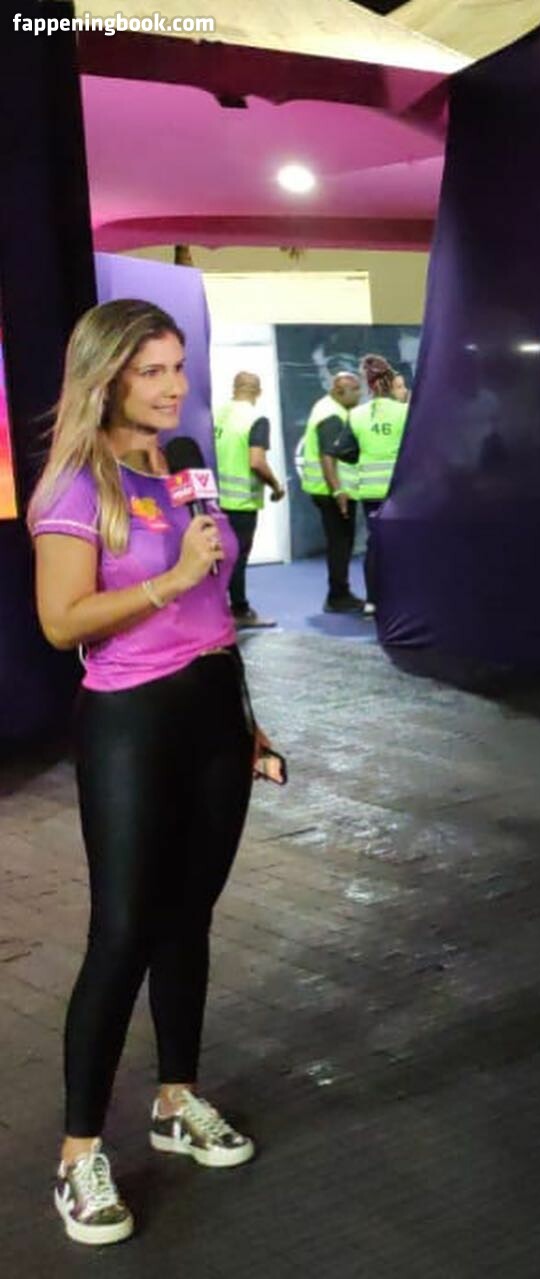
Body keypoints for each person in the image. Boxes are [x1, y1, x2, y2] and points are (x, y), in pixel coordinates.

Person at [27, 298, 285, 1247]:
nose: (176, 386)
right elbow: (61, 621)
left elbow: (211, 611)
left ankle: (176, 1099)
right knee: (124, 930)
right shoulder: (75, 486)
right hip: (132, 721)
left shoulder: (183, 466)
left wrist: (248, 723)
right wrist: (167, 579)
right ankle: (78, 1152)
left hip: (213, 711)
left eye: (179, 366)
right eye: (153, 371)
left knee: (188, 918)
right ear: (106, 378)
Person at [212, 371, 284, 628]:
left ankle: (216, 611)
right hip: (241, 503)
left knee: (219, 557)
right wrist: (276, 486)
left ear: (234, 388)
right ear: (258, 391)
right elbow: (257, 462)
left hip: (215, 500)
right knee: (238, 558)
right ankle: (240, 611)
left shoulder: (217, 414)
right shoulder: (256, 419)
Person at [347, 354, 408, 616]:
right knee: (402, 545)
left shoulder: (356, 415)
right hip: (400, 492)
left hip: (371, 492)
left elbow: (346, 451)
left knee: (376, 545)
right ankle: (403, 599)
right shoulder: (405, 412)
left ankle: (373, 601)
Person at [299, 372, 364, 613]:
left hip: (326, 489)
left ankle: (339, 593)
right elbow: (328, 456)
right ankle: (338, 596)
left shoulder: (326, 406)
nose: (359, 395)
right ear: (338, 391)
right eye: (354, 390)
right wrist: (338, 491)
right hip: (333, 492)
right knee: (340, 544)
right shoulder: (332, 416)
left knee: (340, 542)